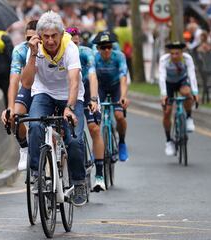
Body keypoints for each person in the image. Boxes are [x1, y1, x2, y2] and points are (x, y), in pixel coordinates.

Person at [21, 11, 87, 206]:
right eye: (46, 36)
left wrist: (70, 107)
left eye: (54, 36)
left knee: (74, 139)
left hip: (70, 95)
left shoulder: (70, 48)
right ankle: (36, 174)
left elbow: (74, 81)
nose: (50, 41)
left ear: (60, 34)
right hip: (44, 93)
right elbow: (26, 83)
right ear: (40, 36)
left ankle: (78, 182)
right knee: (34, 126)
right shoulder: (34, 48)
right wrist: (33, 54)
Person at [66, 27, 105, 192]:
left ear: (79, 41)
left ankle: (100, 176)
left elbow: (92, 76)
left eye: (76, 42)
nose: (74, 46)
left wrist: (94, 99)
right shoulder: (63, 53)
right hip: (69, 95)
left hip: (88, 92)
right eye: (70, 43)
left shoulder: (86, 53)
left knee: (94, 128)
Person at [1, 20, 37, 171]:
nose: (32, 42)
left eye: (36, 38)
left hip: (47, 89)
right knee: (14, 116)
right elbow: (14, 80)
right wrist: (9, 107)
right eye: (28, 38)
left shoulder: (50, 48)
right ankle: (24, 148)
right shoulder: (20, 50)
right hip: (29, 87)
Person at [93, 31, 129, 162]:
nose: (107, 50)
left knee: (119, 116)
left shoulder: (120, 57)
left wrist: (123, 96)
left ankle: (122, 143)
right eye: (103, 47)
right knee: (96, 120)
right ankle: (97, 149)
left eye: (109, 46)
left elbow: (123, 78)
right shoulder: (94, 58)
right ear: (98, 48)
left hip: (116, 87)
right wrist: (93, 99)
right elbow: (92, 79)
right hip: (101, 87)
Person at [158, 42, 199, 156]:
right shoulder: (164, 60)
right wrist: (164, 94)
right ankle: (168, 141)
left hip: (182, 81)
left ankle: (189, 117)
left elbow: (192, 75)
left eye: (177, 53)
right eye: (172, 54)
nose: (174, 56)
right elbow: (161, 77)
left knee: (187, 93)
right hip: (168, 84)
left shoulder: (187, 59)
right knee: (167, 112)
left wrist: (195, 92)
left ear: (182, 53)